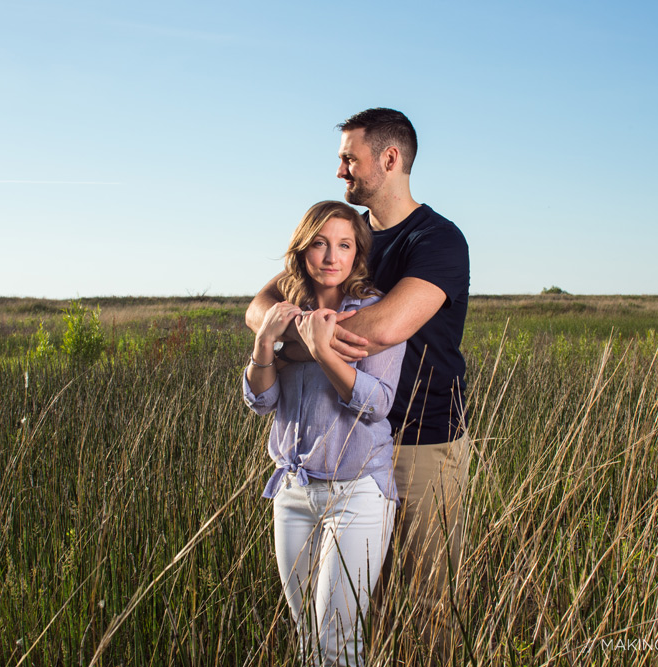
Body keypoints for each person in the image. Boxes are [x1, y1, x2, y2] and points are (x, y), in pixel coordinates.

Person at [246, 108, 471, 661]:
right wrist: (297, 334)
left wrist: (292, 338)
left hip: (421, 441)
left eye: (351, 158)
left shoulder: (437, 240)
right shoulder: (346, 234)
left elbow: (380, 330)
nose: (341, 170)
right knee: (343, 614)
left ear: (389, 160)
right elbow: (258, 308)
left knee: (423, 604)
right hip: (341, 446)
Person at [243, 200, 406, 666]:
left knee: (336, 640)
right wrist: (263, 345)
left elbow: (377, 405)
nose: (331, 256)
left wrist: (323, 352)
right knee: (308, 637)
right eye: (319, 244)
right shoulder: (285, 314)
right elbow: (261, 402)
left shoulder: (372, 312)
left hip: (357, 492)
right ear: (302, 249)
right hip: (293, 491)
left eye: (344, 245)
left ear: (357, 253)